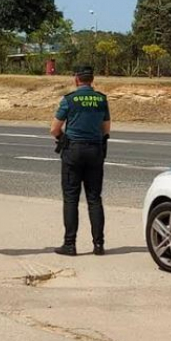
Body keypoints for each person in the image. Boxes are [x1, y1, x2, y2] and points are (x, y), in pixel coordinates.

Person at [50, 65, 111, 256]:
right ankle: (98, 244)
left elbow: (54, 128)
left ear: (76, 79)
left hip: (73, 150)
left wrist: (63, 138)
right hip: (94, 150)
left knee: (71, 199)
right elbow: (106, 129)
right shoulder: (101, 99)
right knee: (94, 199)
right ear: (92, 80)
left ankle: (70, 244)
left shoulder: (69, 100)